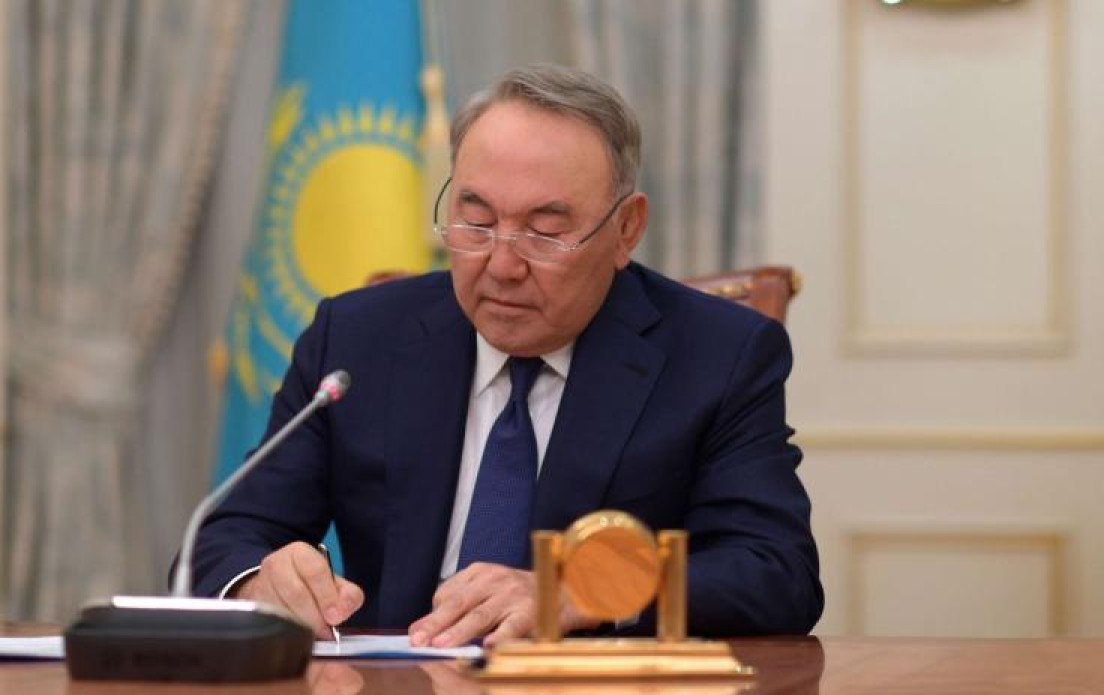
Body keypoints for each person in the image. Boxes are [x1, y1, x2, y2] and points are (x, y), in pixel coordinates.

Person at [188, 63, 823, 647]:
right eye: (476, 221)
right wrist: (258, 582)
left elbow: (777, 571)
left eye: (545, 232)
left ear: (626, 229)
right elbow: (222, 539)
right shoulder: (357, 339)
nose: (501, 265)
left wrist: (577, 593)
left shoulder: (719, 355)